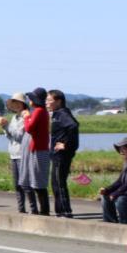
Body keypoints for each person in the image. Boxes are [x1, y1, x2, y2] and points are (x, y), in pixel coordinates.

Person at [47, 89, 80, 217]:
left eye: (50, 100)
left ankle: (65, 212)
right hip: (56, 155)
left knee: (59, 183)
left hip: (61, 155)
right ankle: (60, 211)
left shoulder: (62, 113)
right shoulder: (56, 114)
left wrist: (65, 144)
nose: (47, 103)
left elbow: (73, 126)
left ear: (59, 101)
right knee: (55, 183)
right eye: (47, 100)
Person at [20, 88, 51, 216]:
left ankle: (44, 211)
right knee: (37, 181)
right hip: (38, 149)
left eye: (31, 98)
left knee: (38, 183)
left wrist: (26, 117)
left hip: (38, 150)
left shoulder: (38, 111)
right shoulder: (42, 111)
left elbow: (29, 128)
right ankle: (43, 210)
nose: (29, 101)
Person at [0, 92, 29, 213]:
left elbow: (19, 136)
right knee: (16, 184)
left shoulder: (25, 118)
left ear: (23, 104)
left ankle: (33, 208)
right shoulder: (14, 118)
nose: (15, 105)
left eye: (17, 102)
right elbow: (10, 136)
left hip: (22, 153)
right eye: (13, 103)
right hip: (13, 153)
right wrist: (4, 127)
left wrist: (7, 126)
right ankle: (21, 208)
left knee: (25, 184)